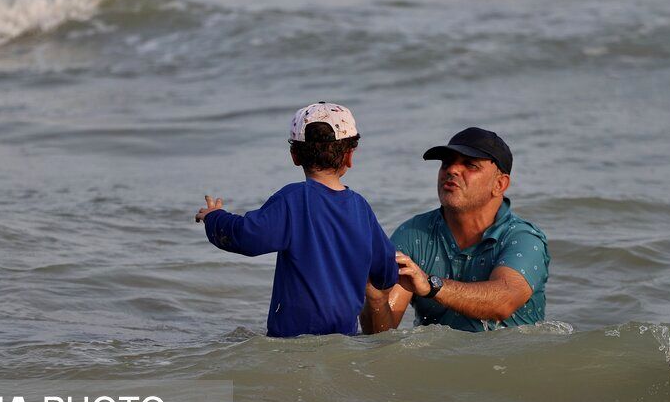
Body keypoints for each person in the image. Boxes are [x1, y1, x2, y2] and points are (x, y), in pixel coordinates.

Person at [195, 102, 398, 338]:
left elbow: (245, 236)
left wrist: (214, 217)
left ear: (294, 155)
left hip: (293, 339)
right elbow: (386, 272)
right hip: (344, 337)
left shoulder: (293, 199)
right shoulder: (361, 207)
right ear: (349, 156)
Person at [361, 127, 549, 333]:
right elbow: (380, 335)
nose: (452, 170)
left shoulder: (524, 238)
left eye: (470, 165)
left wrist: (431, 285)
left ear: (499, 184)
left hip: (507, 362)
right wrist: (375, 296)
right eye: (447, 163)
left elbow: (503, 301)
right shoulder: (413, 233)